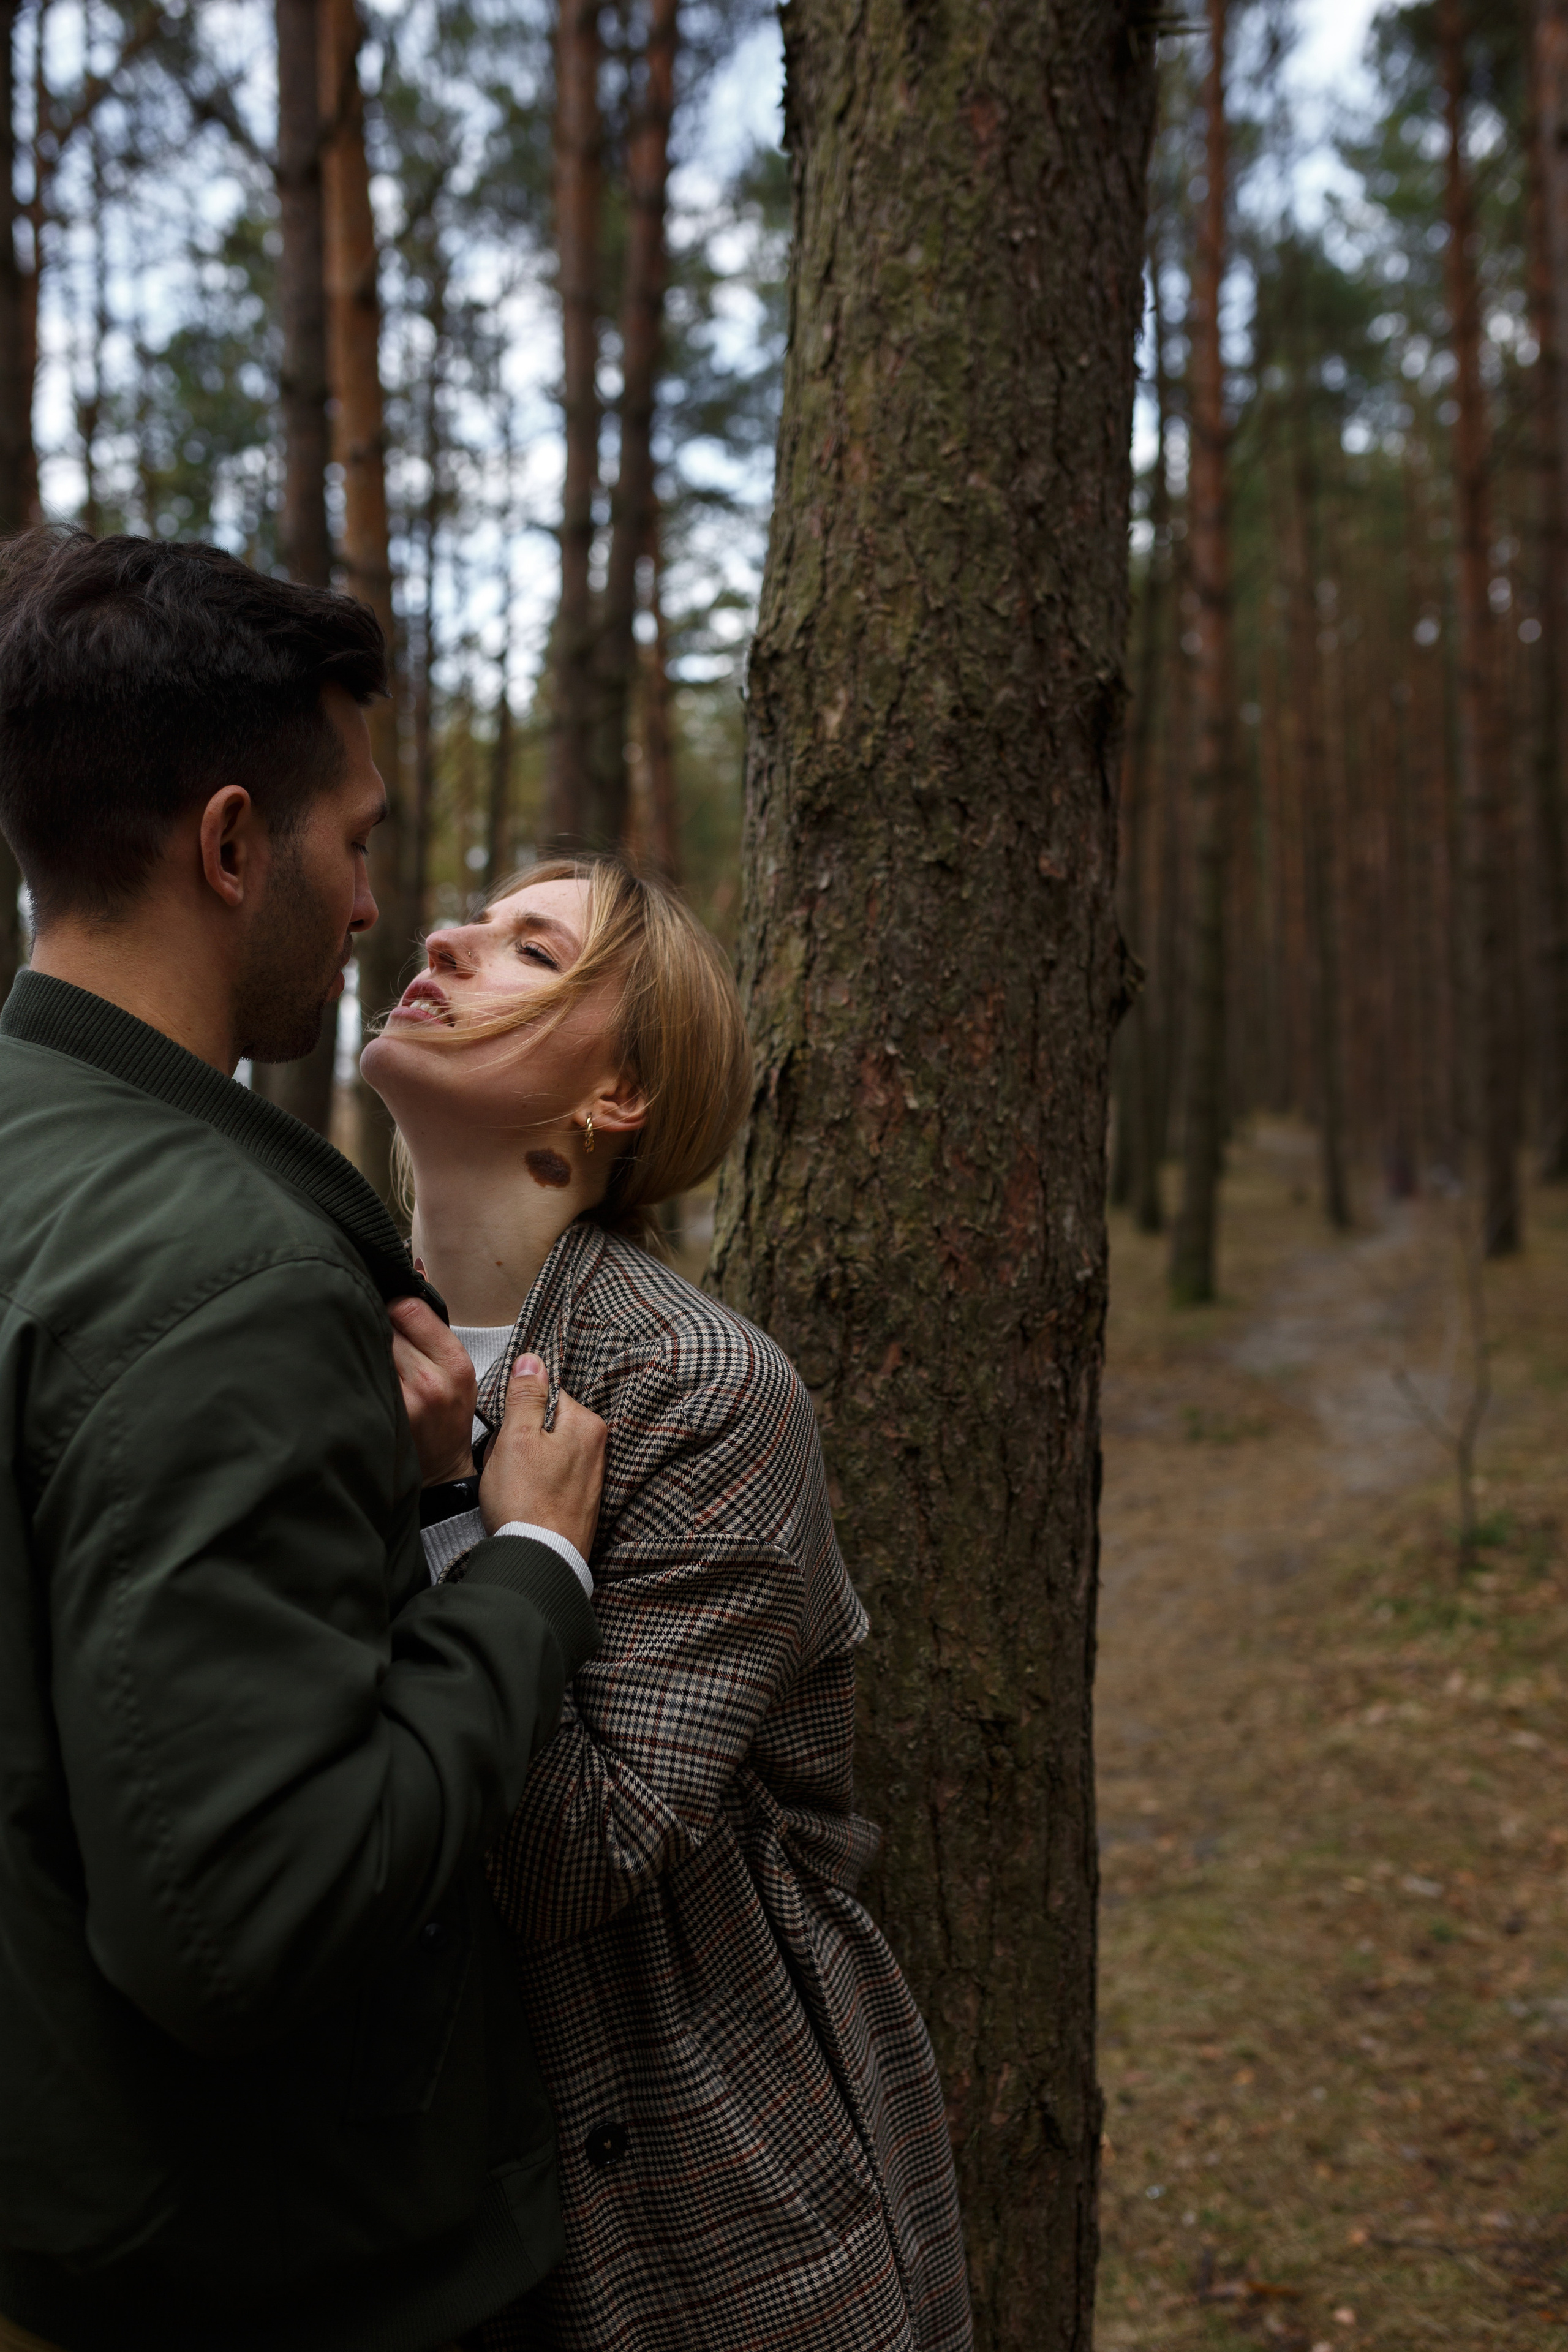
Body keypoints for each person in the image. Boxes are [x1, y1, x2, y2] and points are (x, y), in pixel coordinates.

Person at [0, 530, 608, 2352]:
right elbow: (246, 1917)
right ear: (234, 843)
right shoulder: (222, 1263)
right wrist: (526, 1568)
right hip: (259, 2270)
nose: (372, 910)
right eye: (352, 842)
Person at [361, 857, 974, 2352]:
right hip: (390, 2172)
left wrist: (465, 1515)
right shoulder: (320, 1309)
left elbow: (579, 1857)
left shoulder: (700, 1386)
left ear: (616, 1094)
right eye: (473, 917)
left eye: (527, 946)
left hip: (685, 2151)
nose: (442, 935)